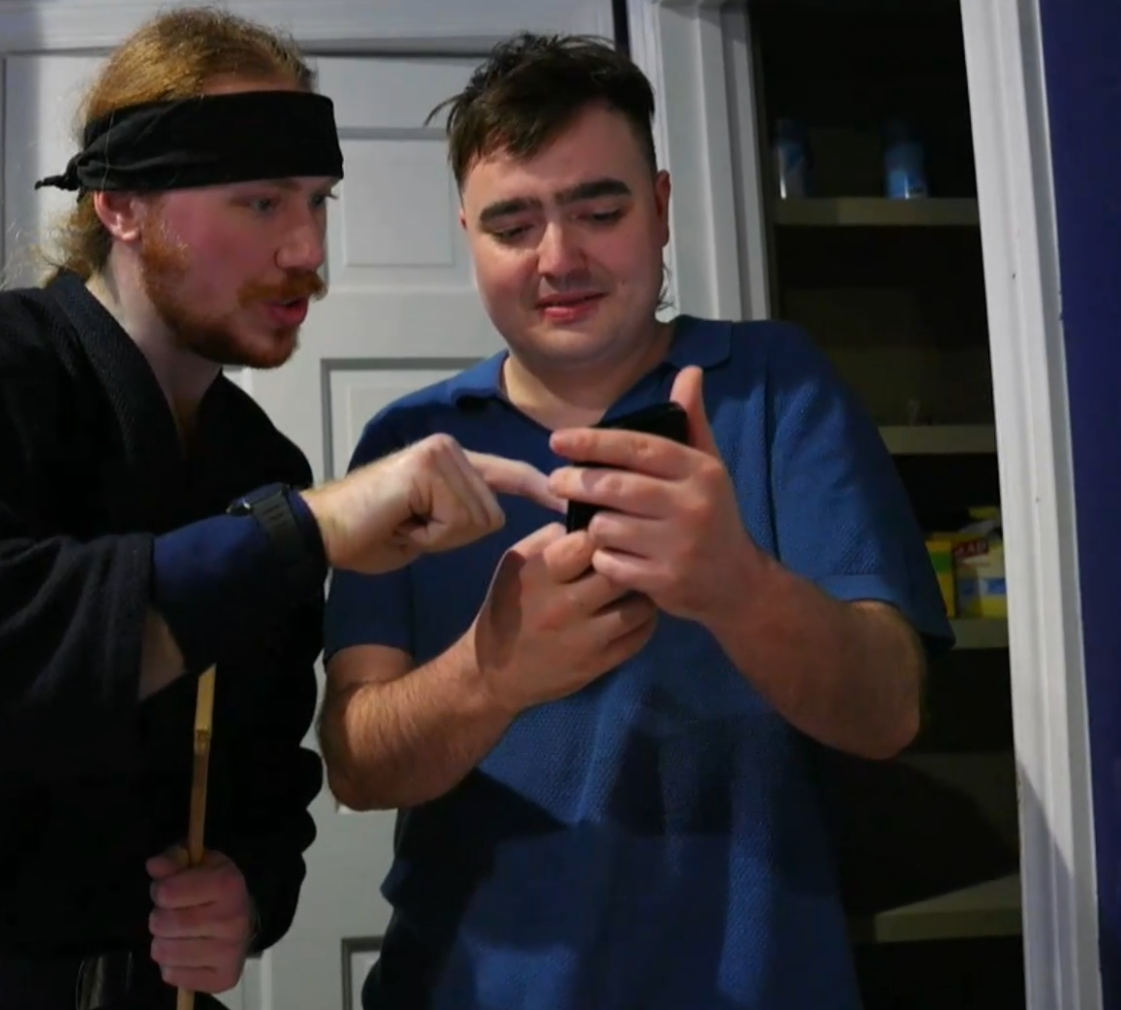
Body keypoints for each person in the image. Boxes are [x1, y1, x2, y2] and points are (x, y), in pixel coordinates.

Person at [0, 10, 553, 1010]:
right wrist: (297, 532)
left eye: (316, 201)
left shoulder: (259, 463)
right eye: (259, 201)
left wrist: (248, 890)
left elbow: (261, 776)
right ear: (119, 204)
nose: (307, 249)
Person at [319, 32, 955, 1010]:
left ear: (659, 209)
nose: (558, 258)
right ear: (467, 235)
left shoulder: (776, 386)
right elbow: (358, 764)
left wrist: (734, 586)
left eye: (598, 211)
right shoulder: (408, 445)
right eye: (511, 224)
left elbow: (888, 712)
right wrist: (492, 675)